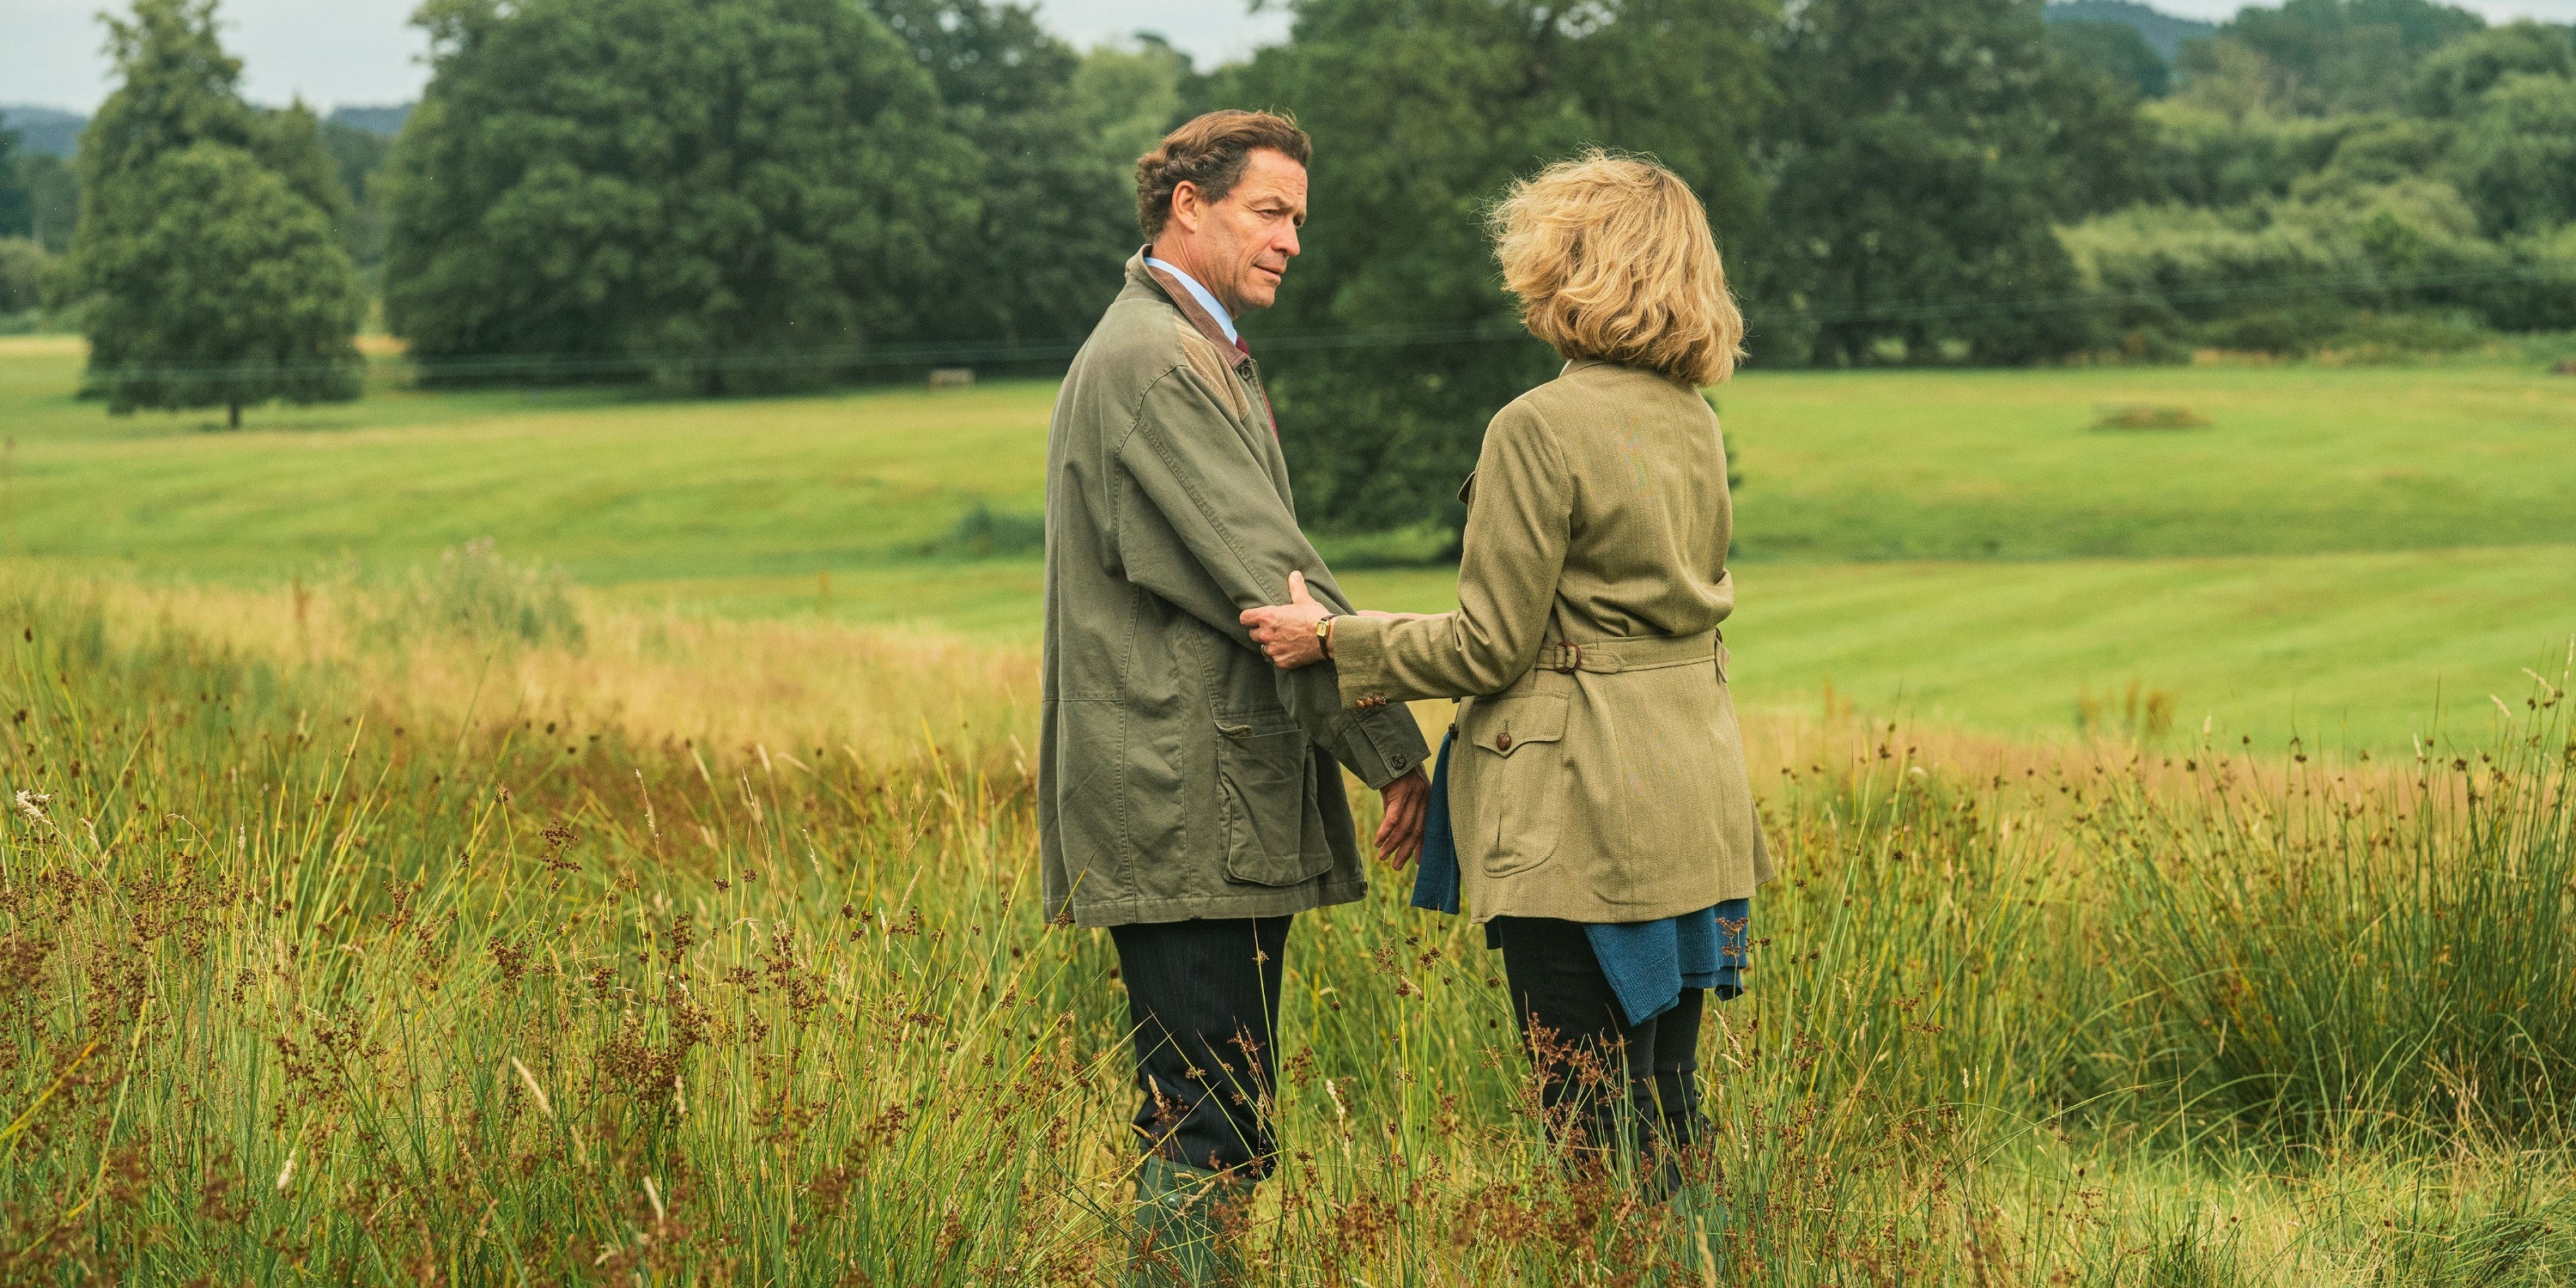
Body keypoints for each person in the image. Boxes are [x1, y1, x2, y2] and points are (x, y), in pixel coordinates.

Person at [1242, 151, 1773, 1182]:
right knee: (1667, 1110)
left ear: (1567, 264)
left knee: (1589, 1128)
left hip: (1583, 815)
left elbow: (1489, 645)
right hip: (1692, 795)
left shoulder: (1537, 425)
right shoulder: (1692, 418)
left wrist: (1333, 640)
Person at [1039, 110, 1433, 1281]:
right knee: (1207, 1120)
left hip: (1201, 794)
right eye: (1271, 212)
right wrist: (1396, 751)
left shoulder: (1185, 349)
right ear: (1188, 206)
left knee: (1217, 1111)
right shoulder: (1158, 365)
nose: (1292, 241)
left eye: (1299, 220)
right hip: (1183, 797)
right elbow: (1277, 583)